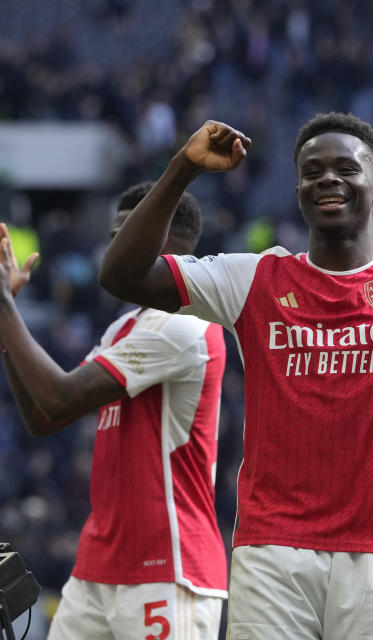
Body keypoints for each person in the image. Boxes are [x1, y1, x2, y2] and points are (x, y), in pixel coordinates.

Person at [98, 111, 373, 638]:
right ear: (298, 192)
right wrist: (182, 168)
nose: (328, 179)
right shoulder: (252, 277)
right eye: (312, 172)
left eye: (346, 168)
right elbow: (121, 274)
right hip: (272, 553)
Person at [0, 183, 226, 640]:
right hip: (100, 567)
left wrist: (4, 307)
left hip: (168, 568)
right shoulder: (128, 324)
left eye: (124, 233)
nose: (112, 248)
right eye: (113, 236)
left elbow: (60, 397)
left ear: (160, 237)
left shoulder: (184, 323)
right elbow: (45, 417)